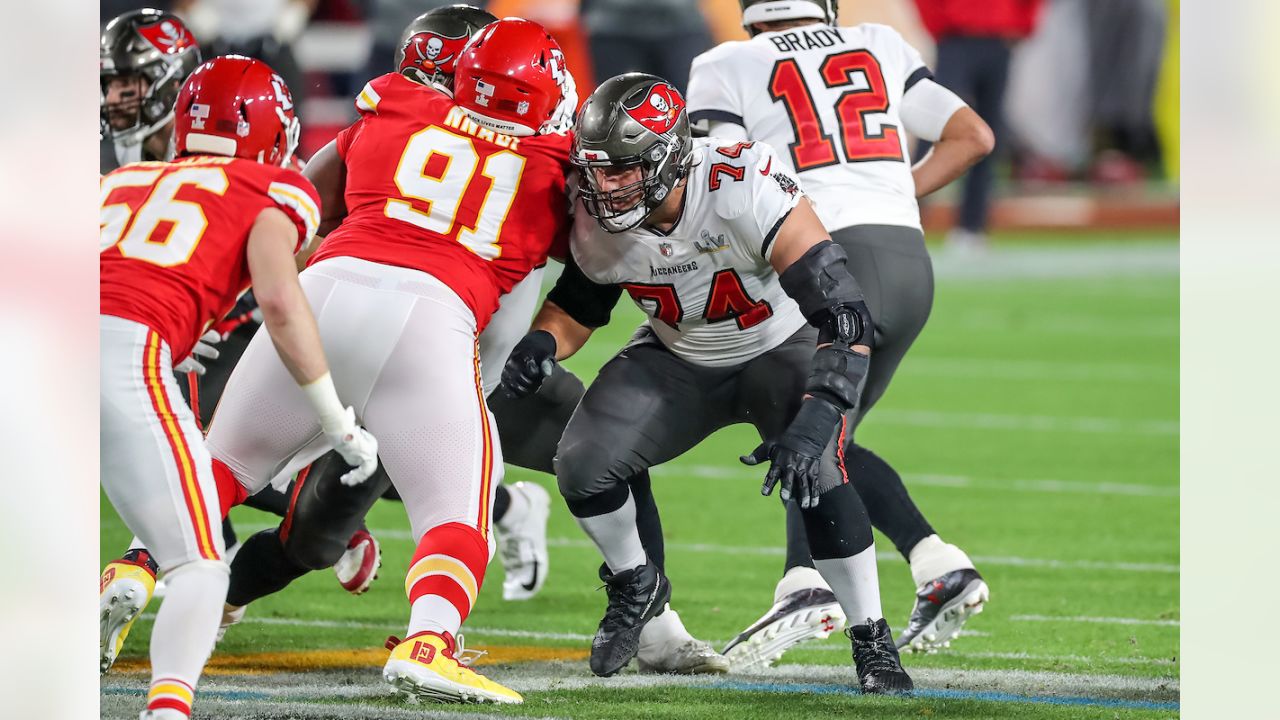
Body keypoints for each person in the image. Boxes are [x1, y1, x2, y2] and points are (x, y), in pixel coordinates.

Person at [216, 4, 729, 676]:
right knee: (311, 541)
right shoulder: (503, 147)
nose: (431, 90)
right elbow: (299, 210)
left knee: (608, 453)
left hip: (489, 370)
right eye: (423, 77)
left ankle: (657, 623)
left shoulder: (460, 136)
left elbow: (593, 274)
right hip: (397, 360)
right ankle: (211, 596)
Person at [197, 18, 572, 704]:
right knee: (444, 514)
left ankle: (132, 565)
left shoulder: (394, 101)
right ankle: (430, 636)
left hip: (322, 304)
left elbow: (294, 210)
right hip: (432, 329)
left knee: (215, 470)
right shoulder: (555, 162)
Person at [502, 73, 913, 694]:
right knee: (584, 462)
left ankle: (873, 640)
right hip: (678, 355)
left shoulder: (742, 182)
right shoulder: (595, 213)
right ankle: (637, 585)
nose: (604, 188)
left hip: (780, 348)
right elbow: (582, 304)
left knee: (820, 473)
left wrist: (821, 413)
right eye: (597, 171)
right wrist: (543, 340)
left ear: (668, 156)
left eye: (622, 170)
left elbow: (844, 314)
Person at [685, 0, 995, 661]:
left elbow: (720, 179)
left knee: (808, 435)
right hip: (908, 262)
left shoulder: (726, 62)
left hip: (823, 262)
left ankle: (932, 562)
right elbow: (974, 136)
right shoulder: (877, 41)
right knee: (822, 435)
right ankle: (803, 580)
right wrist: (893, 196)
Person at [97, 10, 379, 676]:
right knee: (198, 559)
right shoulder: (275, 185)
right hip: (136, 355)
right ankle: (167, 688)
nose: (115, 98)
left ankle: (125, 572)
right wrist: (337, 423)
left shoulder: (117, 180)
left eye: (130, 84)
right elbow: (282, 300)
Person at [913, 0, 1043, 248]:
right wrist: (941, 27)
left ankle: (972, 227)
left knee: (989, 133)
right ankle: (909, 217)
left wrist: (1022, 25)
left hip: (998, 39)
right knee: (934, 126)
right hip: (956, 39)